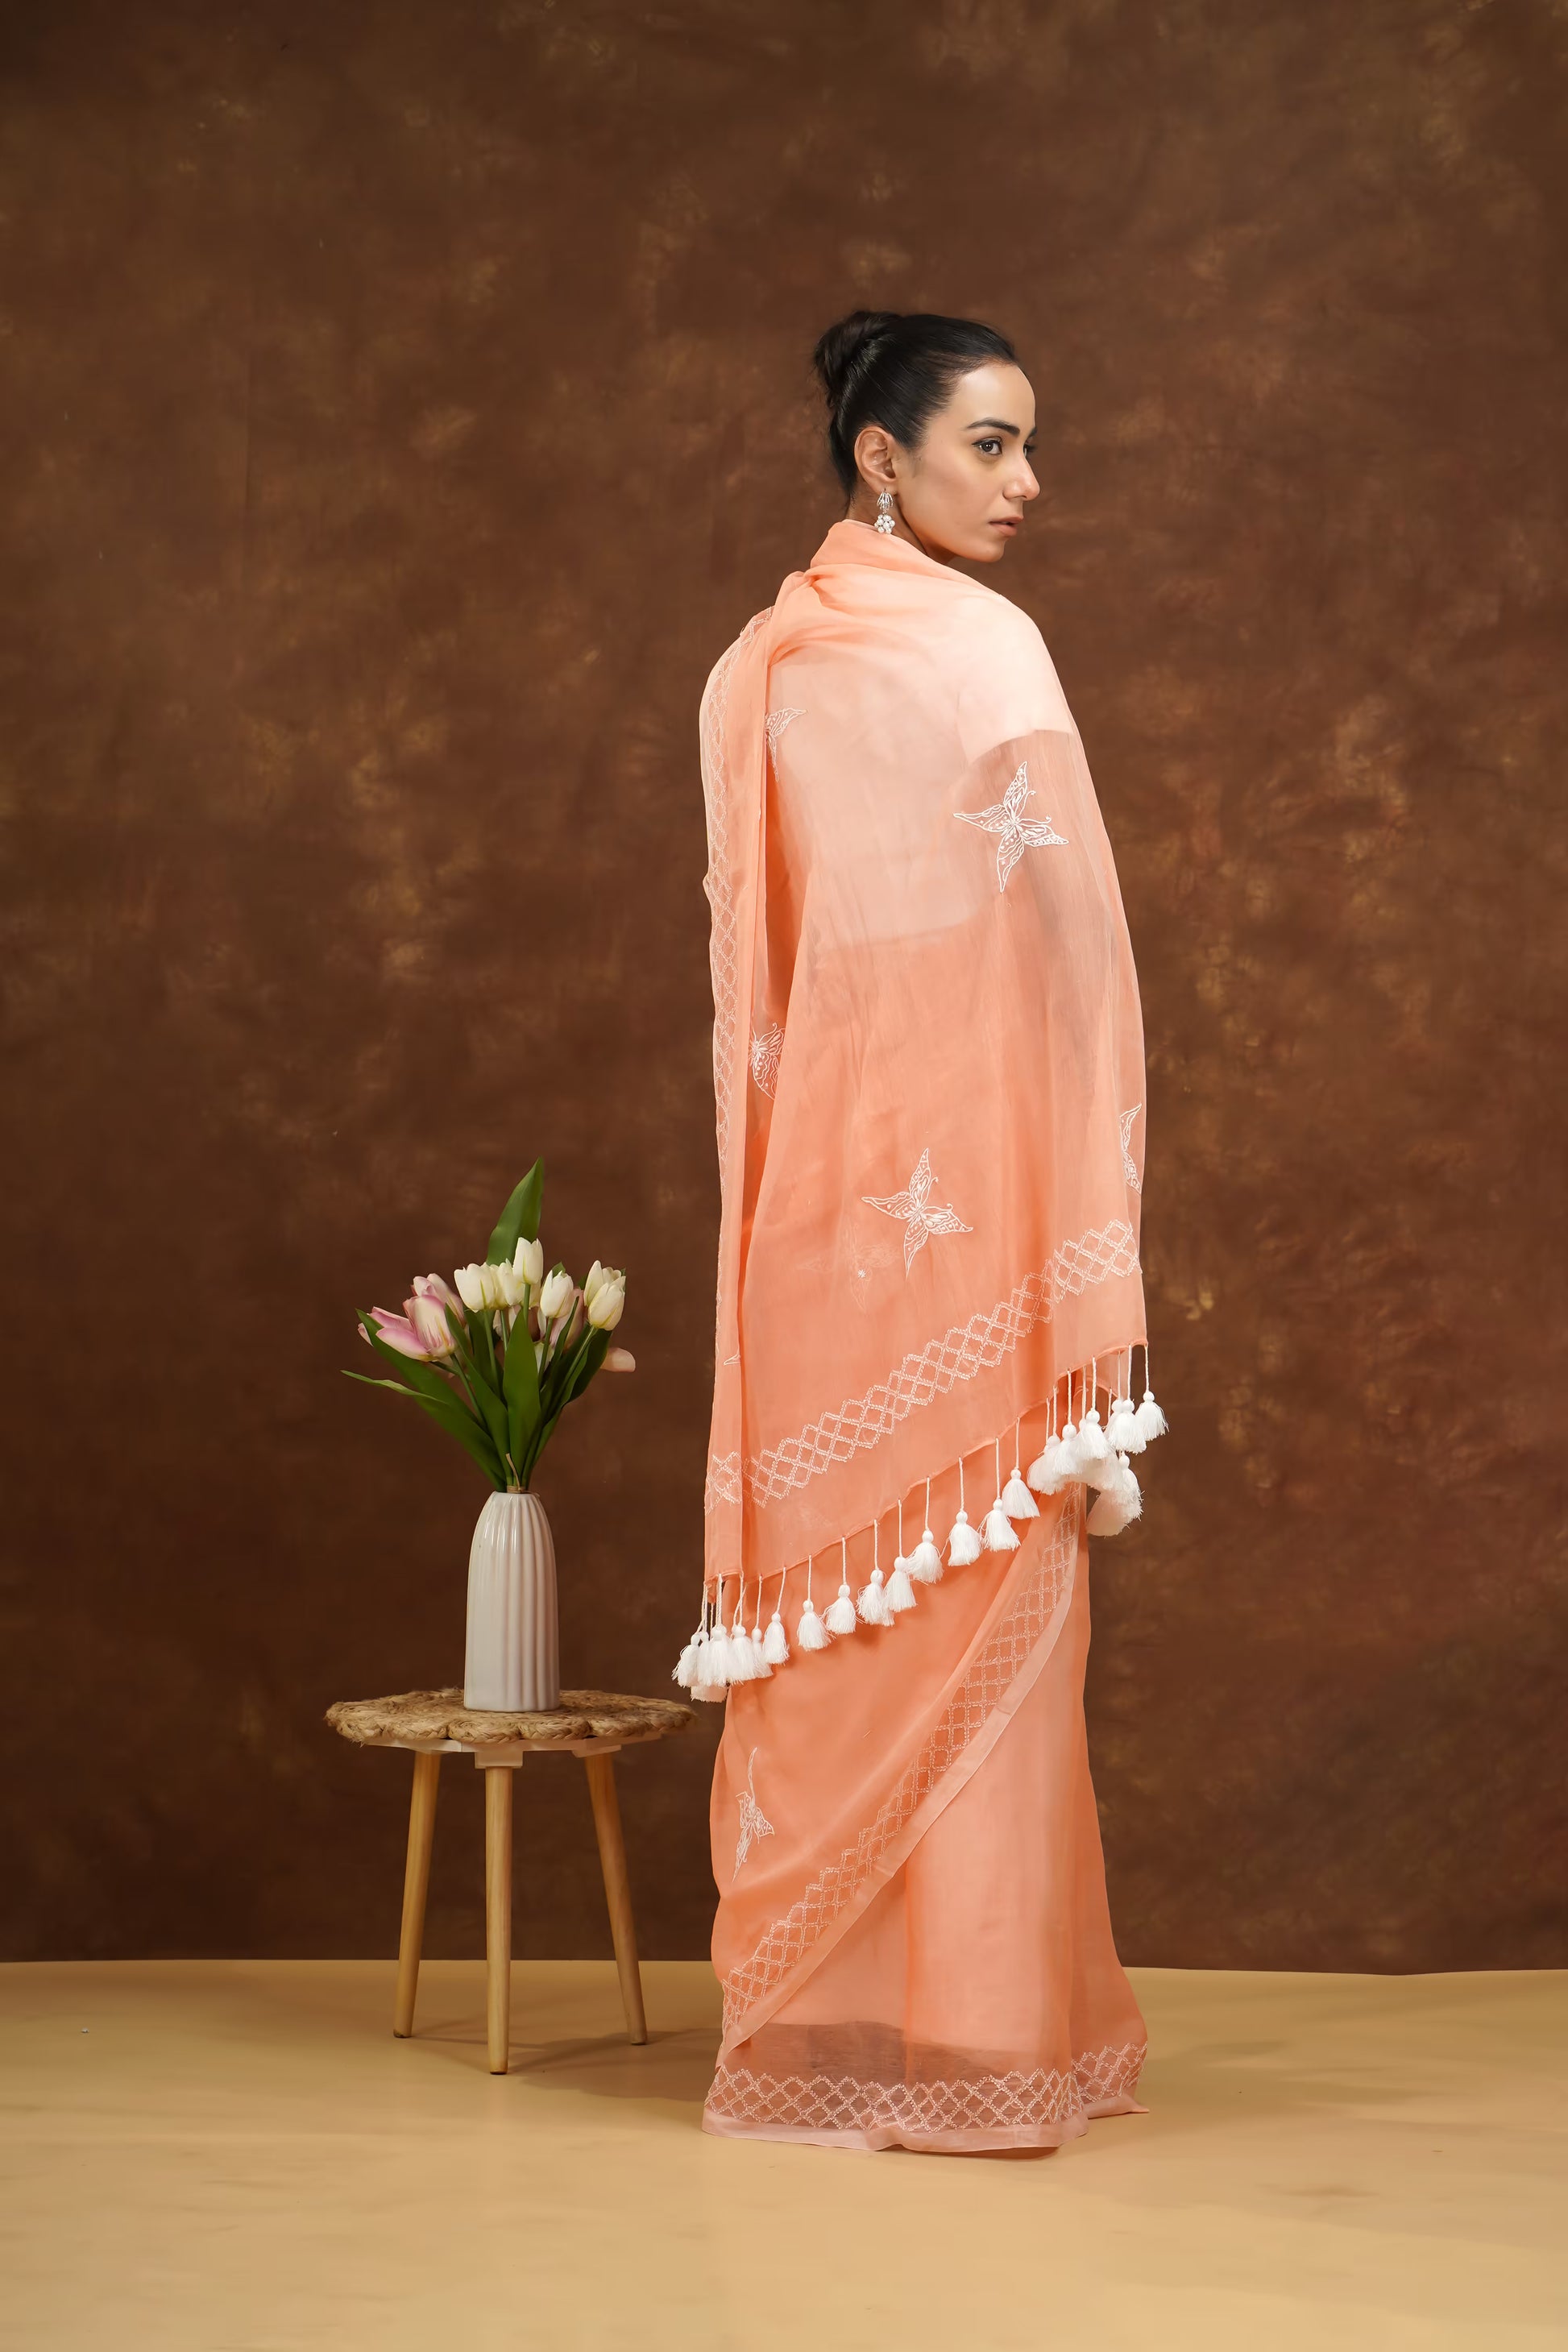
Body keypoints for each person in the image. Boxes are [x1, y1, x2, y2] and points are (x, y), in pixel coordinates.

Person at [679, 309, 1168, 2154]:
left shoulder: (763, 663)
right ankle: (927, 2044)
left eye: (1030, 443)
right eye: (991, 443)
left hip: (845, 1190)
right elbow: (1071, 953)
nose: (1028, 482)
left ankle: (925, 2033)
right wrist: (1077, 1187)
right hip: (943, 1189)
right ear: (882, 455)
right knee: (906, 1602)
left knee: (920, 1599)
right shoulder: (940, 646)